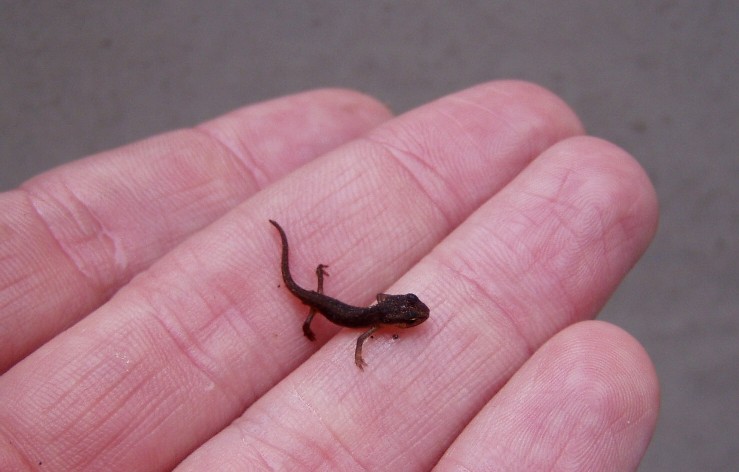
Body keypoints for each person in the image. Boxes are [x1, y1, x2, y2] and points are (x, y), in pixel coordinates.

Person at [0, 81, 659, 470]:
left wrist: (343, 302)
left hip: (329, 301)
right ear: (392, 318)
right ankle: (301, 279)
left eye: (405, 315)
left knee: (313, 292)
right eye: (407, 316)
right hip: (321, 306)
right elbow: (364, 330)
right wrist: (330, 328)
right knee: (307, 298)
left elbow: (374, 311)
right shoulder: (364, 325)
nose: (405, 319)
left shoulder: (373, 312)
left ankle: (304, 273)